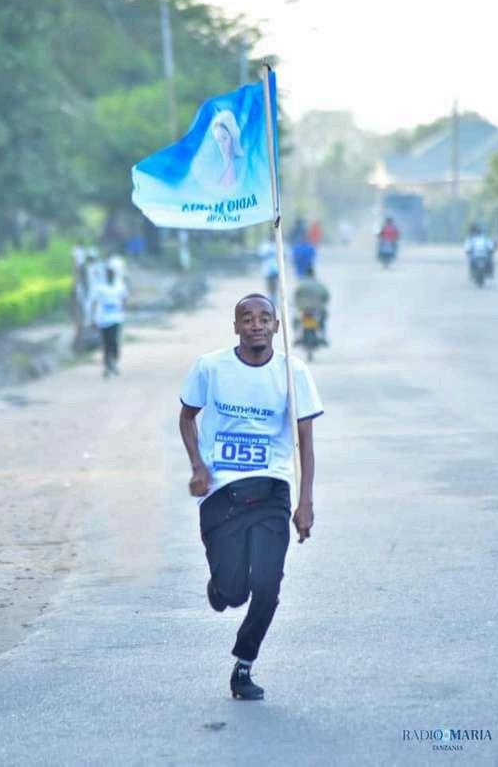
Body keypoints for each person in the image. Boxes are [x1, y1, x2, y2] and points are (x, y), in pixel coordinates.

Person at [179, 294, 323, 700]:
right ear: (236, 327)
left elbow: (306, 444)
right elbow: (187, 417)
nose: (256, 325)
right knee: (234, 593)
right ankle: (221, 588)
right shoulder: (210, 367)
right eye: (247, 318)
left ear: (276, 325)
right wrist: (197, 466)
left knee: (267, 585)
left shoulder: (293, 372)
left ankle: (244, 665)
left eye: (264, 318)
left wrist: (305, 502)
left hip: (271, 490)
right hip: (221, 493)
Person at [91, 266, 127, 378]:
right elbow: (95, 302)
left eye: (112, 274)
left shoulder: (120, 286)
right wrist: (94, 318)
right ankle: (107, 365)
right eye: (108, 274)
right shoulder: (100, 288)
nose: (110, 276)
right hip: (103, 319)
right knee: (106, 343)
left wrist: (122, 310)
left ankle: (114, 360)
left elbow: (124, 298)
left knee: (113, 341)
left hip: (116, 318)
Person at [293, 266, 330, 344]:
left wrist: (298, 304)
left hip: (303, 308)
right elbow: (326, 296)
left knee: (296, 320)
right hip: (317, 308)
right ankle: (323, 336)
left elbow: (296, 295)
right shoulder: (319, 284)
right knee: (323, 319)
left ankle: (296, 336)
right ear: (313, 274)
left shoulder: (301, 284)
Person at [211, 109, 244, 188]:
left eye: (224, 138)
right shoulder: (216, 169)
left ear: (233, 135)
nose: (221, 145)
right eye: (218, 141)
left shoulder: (244, 165)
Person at [257, 238, 279, 302]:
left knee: (275, 287)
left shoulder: (277, 244)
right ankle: (270, 299)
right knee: (269, 287)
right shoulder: (265, 246)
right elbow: (260, 256)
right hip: (267, 270)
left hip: (276, 270)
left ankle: (274, 299)